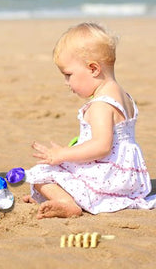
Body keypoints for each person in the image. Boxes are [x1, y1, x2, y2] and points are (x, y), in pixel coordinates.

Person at [24, 22, 156, 219]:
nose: (67, 83)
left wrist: (63, 154)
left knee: (41, 175)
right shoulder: (124, 96)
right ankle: (62, 197)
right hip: (128, 179)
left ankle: (66, 202)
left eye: (68, 75)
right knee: (60, 171)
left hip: (106, 176)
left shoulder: (100, 105)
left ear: (93, 69)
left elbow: (102, 146)